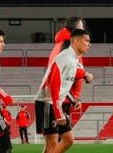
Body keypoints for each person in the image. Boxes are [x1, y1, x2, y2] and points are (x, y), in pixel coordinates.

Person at [37, 17, 93, 152]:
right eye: (81, 28)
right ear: (75, 34)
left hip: (59, 100)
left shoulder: (71, 52)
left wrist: (74, 98)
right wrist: (61, 109)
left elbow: (70, 74)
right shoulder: (64, 50)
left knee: (63, 140)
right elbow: (55, 81)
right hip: (49, 101)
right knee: (54, 142)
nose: (89, 44)